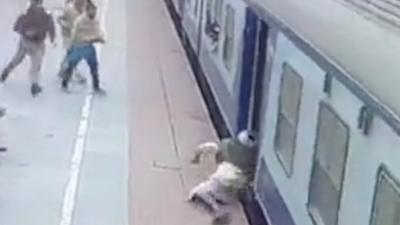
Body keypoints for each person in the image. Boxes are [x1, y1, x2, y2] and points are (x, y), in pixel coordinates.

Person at [0, 0, 56, 96]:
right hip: (37, 43)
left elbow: (16, 27)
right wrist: (52, 39)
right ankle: (34, 85)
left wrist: (25, 31)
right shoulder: (46, 14)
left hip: (25, 41)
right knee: (36, 64)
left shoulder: (26, 13)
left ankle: (6, 72)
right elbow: (51, 28)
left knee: (17, 59)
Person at [59, 0, 105, 94]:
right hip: (79, 46)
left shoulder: (95, 21)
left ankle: (96, 86)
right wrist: (72, 46)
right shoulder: (79, 21)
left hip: (89, 47)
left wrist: (100, 37)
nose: (94, 13)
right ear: (87, 11)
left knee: (94, 67)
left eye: (95, 11)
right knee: (71, 65)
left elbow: (98, 31)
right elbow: (74, 34)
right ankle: (64, 84)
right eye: (92, 11)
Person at [57, 0, 87, 83]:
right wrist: (64, 24)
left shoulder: (83, 11)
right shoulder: (70, 10)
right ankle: (74, 74)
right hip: (68, 36)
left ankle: (63, 70)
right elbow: (61, 20)